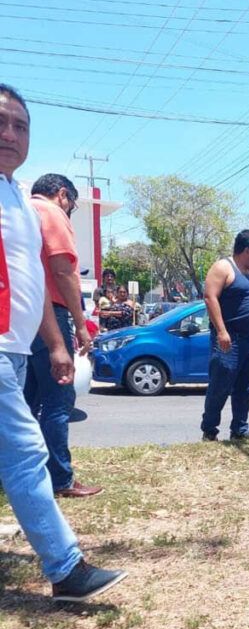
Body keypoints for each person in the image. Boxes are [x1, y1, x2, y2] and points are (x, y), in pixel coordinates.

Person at [0, 83, 125, 601]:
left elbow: (33, 280)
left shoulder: (17, 198)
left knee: (21, 453)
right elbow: (61, 271)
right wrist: (79, 322)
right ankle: (66, 569)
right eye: (1, 122)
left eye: (20, 125)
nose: (10, 133)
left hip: (15, 343)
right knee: (27, 453)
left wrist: (53, 341)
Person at [23, 173, 101, 498]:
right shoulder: (52, 213)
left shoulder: (22, 210)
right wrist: (81, 324)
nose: (71, 210)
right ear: (63, 194)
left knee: (26, 399)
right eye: (73, 204)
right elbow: (62, 270)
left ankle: (23, 472)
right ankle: (61, 479)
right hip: (49, 314)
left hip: (20, 315)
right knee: (59, 398)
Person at [200, 229, 249, 441]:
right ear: (247, 251)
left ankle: (239, 429)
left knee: (245, 386)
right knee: (220, 386)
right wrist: (221, 331)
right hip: (229, 341)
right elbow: (210, 297)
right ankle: (209, 430)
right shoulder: (223, 267)